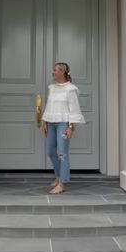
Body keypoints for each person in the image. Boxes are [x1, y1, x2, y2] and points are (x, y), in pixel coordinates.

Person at [41, 62, 85, 194]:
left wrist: (71, 127)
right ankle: (58, 175)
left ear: (63, 72)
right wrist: (44, 121)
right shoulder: (52, 88)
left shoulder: (71, 89)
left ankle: (62, 183)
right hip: (51, 123)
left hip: (63, 124)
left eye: (55, 70)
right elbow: (49, 105)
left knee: (62, 153)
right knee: (50, 151)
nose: (53, 73)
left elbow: (74, 109)